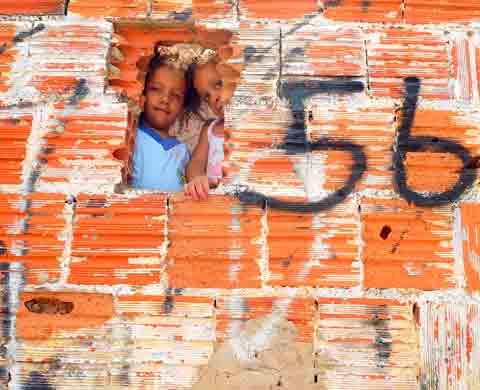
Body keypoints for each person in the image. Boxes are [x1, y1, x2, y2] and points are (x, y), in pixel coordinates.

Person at [131, 53, 192, 191]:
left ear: (183, 107)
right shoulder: (131, 138)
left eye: (175, 95)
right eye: (156, 89)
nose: (165, 99)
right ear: (142, 93)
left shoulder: (184, 153)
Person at [184, 58, 226, 200]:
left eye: (218, 84)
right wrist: (197, 179)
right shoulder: (210, 128)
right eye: (206, 96)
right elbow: (196, 162)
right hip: (212, 202)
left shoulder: (253, 126)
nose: (213, 97)